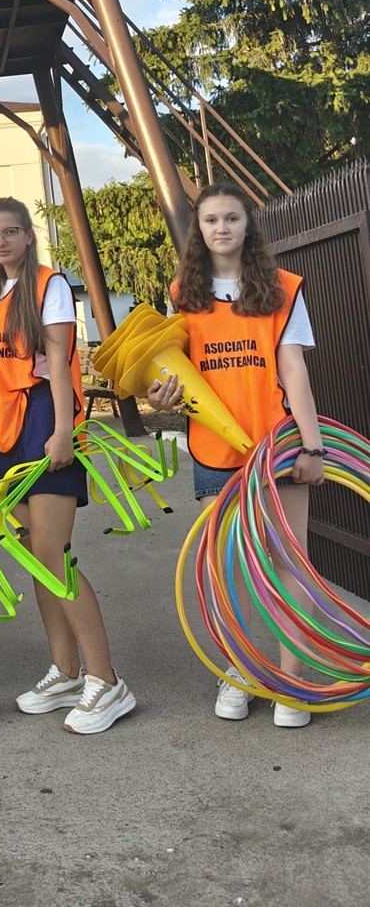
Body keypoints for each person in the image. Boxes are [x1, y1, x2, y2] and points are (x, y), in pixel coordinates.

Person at [147, 182, 326, 728]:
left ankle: (290, 682)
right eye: (211, 220)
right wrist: (158, 398)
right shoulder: (181, 295)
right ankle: (239, 672)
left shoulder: (283, 288)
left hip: (278, 447)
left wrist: (313, 445)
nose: (221, 227)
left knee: (289, 562)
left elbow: (294, 370)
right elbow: (169, 376)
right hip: (216, 450)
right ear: (198, 230)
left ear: (248, 225)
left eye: (231, 218)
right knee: (228, 566)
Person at [0, 196, 135, 734]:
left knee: (54, 553)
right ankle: (66, 670)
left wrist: (64, 429)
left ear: (28, 235)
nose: (0, 242)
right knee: (33, 555)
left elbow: (62, 364)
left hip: (46, 418)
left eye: (9, 231)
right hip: (9, 426)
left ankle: (106, 680)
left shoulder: (50, 286)